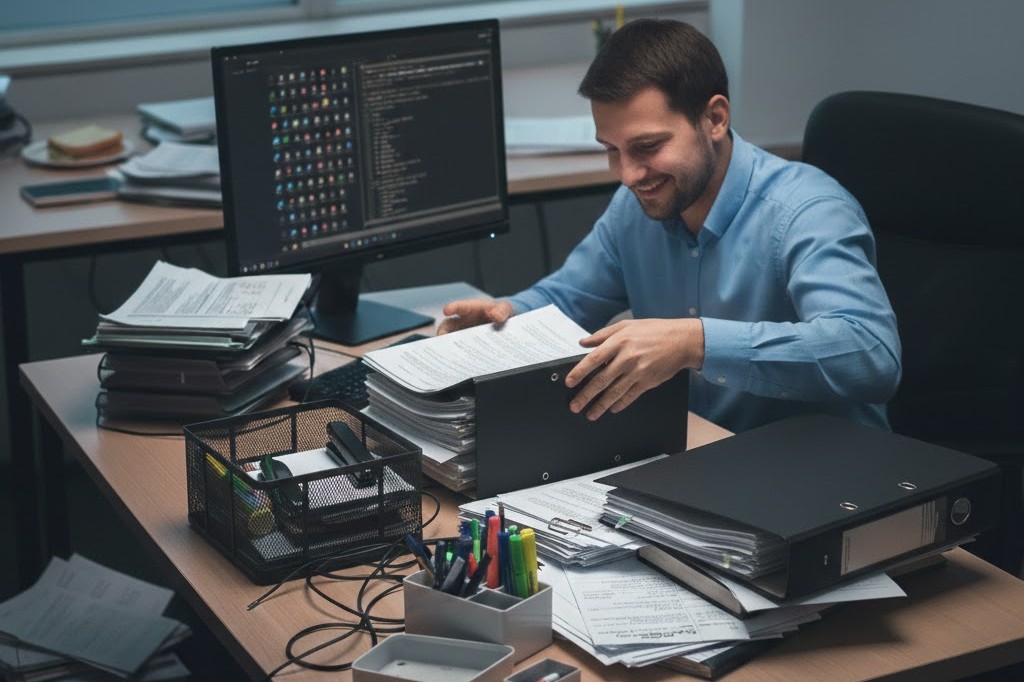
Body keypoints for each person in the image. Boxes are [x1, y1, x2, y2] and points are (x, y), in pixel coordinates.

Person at [439, 18, 901, 434]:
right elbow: (567, 301)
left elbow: (870, 354)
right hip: (700, 455)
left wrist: (694, 342)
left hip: (819, 471)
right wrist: (507, 317)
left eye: (647, 146)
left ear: (715, 118)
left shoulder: (807, 210)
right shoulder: (634, 205)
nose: (628, 174)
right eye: (611, 149)